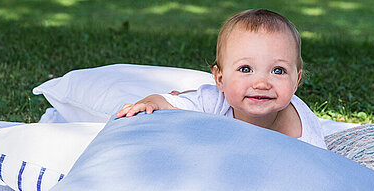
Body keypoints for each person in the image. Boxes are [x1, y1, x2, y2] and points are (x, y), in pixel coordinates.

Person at [115, 9, 327, 149]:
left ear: (296, 81)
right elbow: (161, 103)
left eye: (278, 71)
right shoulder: (216, 101)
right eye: (246, 69)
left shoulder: (302, 135)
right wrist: (149, 103)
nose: (261, 84)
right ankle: (187, 95)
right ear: (219, 78)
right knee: (190, 103)